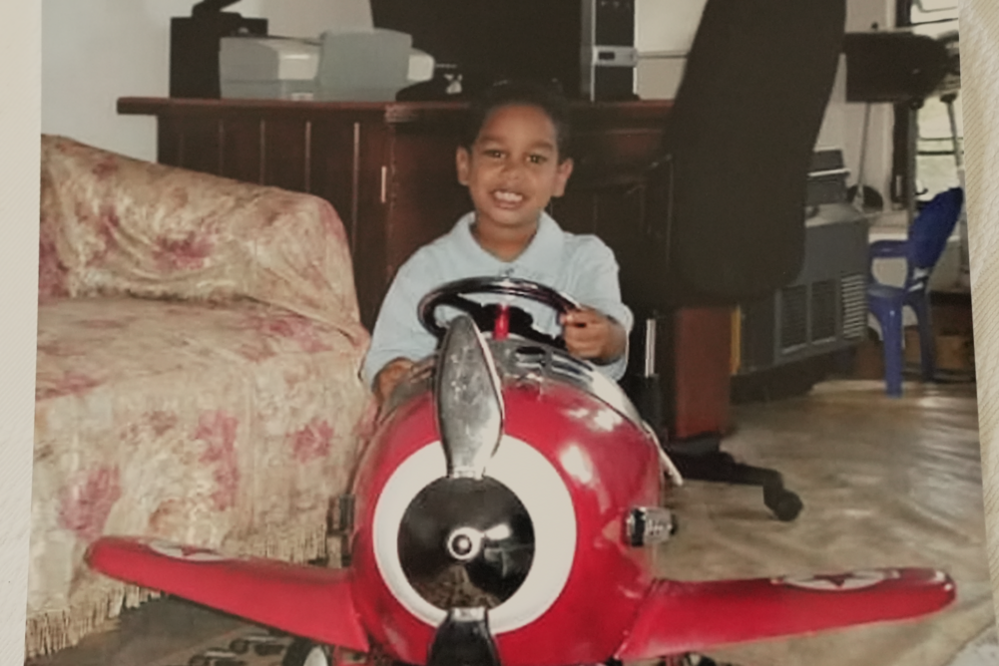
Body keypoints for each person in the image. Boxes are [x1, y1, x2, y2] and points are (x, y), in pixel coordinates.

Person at [362, 80, 633, 404]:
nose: (512, 171)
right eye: (495, 154)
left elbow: (611, 327)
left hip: (558, 421)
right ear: (465, 165)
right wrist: (390, 374)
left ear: (560, 176)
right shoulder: (428, 267)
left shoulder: (585, 258)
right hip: (457, 426)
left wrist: (604, 337)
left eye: (534, 159)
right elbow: (390, 353)